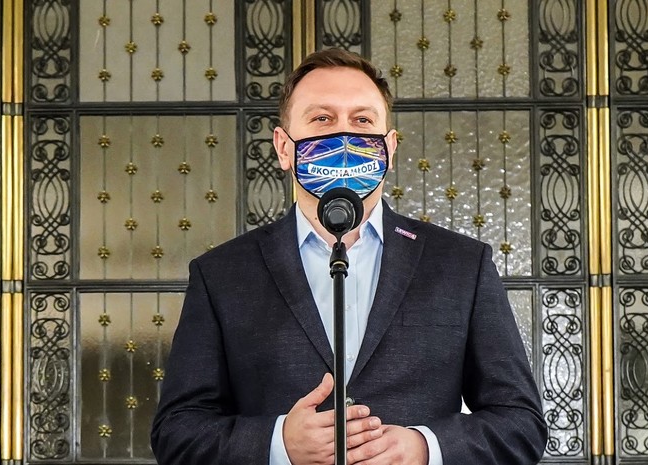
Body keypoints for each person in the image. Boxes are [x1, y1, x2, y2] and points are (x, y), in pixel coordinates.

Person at [151, 48, 547, 465]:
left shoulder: (462, 265)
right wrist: (278, 443)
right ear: (284, 148)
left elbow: (520, 424)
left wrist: (424, 448)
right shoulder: (222, 274)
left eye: (362, 120)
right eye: (322, 119)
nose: (344, 136)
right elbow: (177, 432)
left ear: (390, 148)